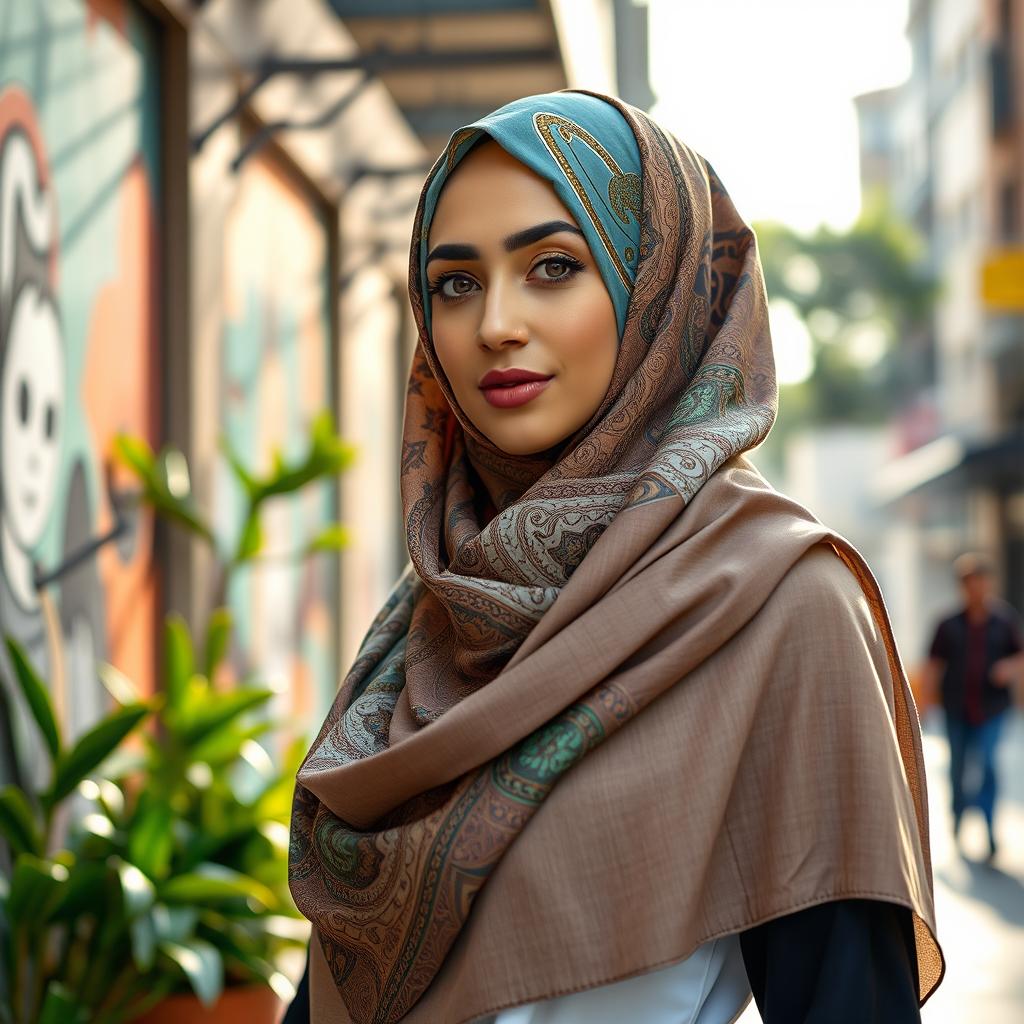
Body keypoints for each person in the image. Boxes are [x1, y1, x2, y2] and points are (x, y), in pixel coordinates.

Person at [287, 91, 943, 1024]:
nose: (495, 325)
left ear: (657, 286)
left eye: (553, 266)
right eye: (455, 283)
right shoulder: (438, 607)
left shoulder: (779, 603)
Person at [926, 553, 1024, 859]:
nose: (976, 589)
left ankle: (989, 828)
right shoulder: (947, 624)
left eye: (981, 582)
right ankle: (957, 818)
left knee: (987, 765)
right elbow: (932, 666)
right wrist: (926, 705)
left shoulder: (1004, 621)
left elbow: (1019, 656)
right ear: (962, 586)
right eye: (970, 583)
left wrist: (1007, 669)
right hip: (957, 708)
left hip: (992, 709)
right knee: (957, 767)